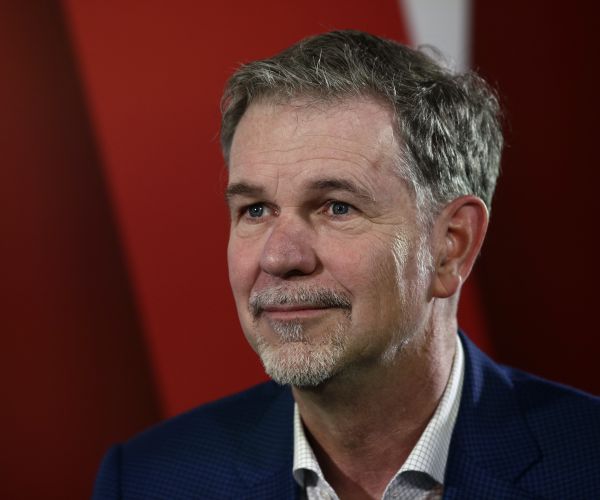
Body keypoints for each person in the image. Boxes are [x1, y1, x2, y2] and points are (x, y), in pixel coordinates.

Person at [93, 30, 600, 499]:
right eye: (255, 210)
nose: (278, 256)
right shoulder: (148, 480)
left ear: (451, 245)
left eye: (337, 207)